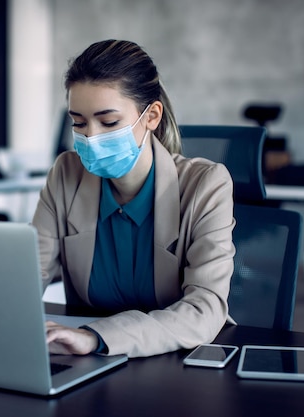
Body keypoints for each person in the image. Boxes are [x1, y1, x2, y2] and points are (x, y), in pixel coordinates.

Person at [33, 39, 236, 358]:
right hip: (86, 368)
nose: (91, 137)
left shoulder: (206, 185)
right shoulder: (65, 175)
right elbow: (28, 276)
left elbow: (204, 309)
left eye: (109, 122)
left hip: (177, 364)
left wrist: (95, 337)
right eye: (79, 122)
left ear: (152, 116)